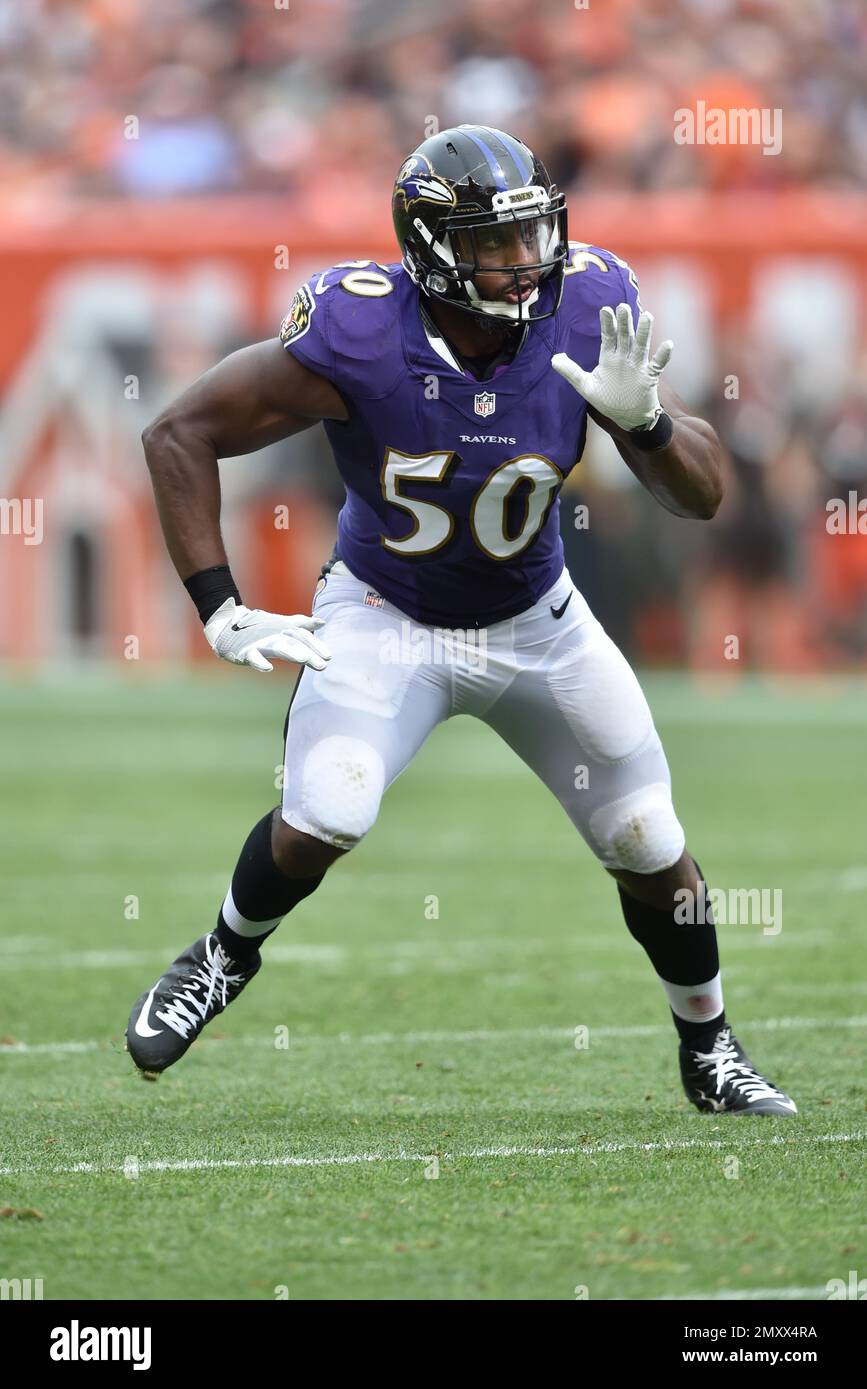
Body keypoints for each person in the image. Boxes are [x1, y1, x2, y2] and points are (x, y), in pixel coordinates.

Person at [126, 125, 796, 1115]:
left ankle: (712, 1047)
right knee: (329, 808)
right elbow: (179, 429)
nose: (526, 262)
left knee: (651, 838)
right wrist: (218, 608)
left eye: (532, 235)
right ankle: (221, 955)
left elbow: (701, 497)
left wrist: (647, 421)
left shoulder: (588, 306)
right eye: (495, 242)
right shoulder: (359, 332)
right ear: (433, 246)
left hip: (538, 619)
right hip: (384, 612)